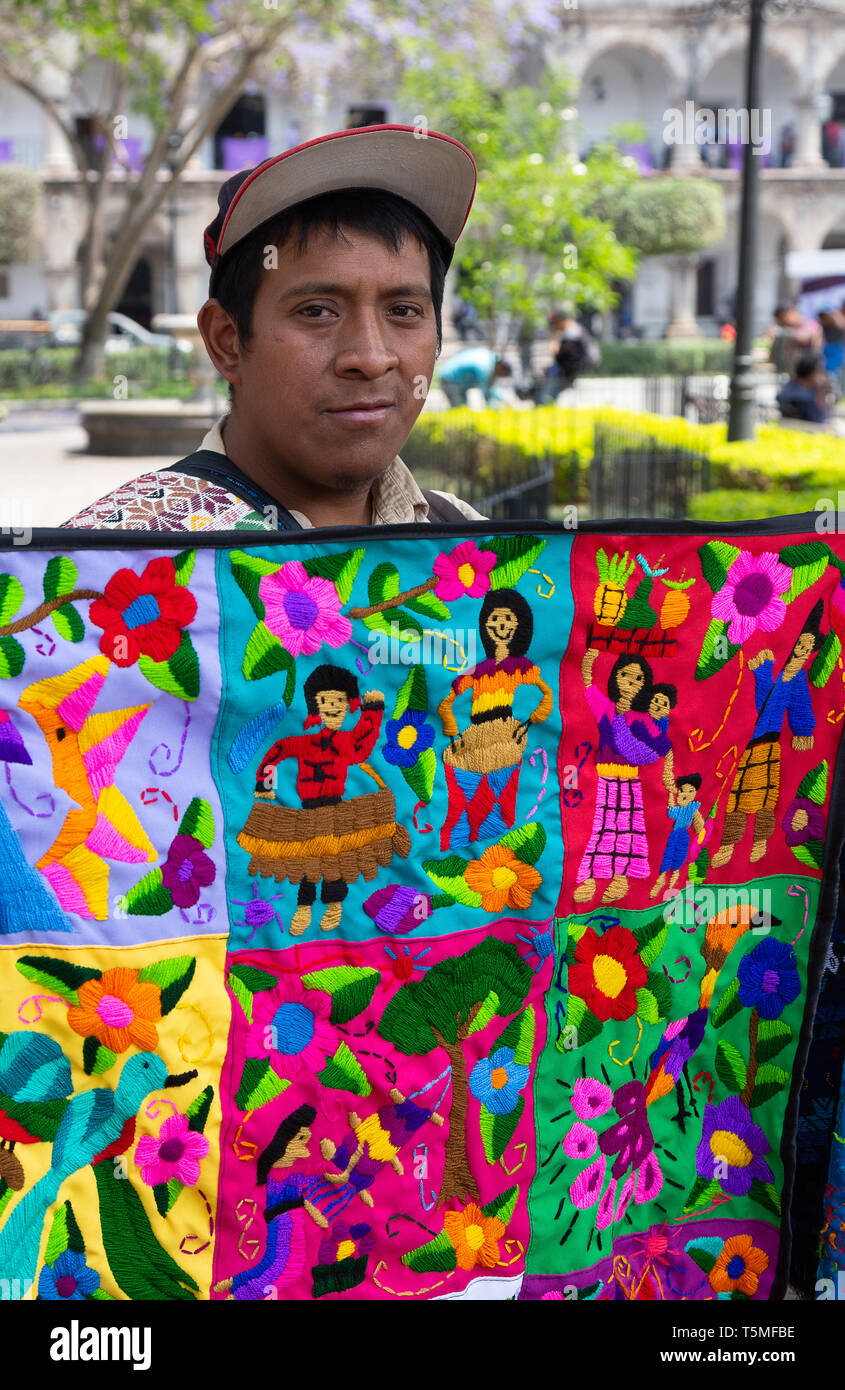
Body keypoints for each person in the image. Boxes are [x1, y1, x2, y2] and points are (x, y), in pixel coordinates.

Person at [63, 125, 485, 532]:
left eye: (404, 310)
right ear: (227, 341)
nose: (372, 359)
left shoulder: (478, 547)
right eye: (318, 311)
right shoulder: (116, 566)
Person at [710, 603, 821, 870]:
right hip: (748, 743)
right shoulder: (778, 670)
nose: (802, 653)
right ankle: (727, 844)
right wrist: (763, 671)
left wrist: (803, 730)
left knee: (766, 798)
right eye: (800, 646)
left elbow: (798, 705)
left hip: (770, 742)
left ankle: (760, 842)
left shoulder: (795, 678)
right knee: (737, 797)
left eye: (807, 649)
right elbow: (761, 704)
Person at [437, 347, 513, 407]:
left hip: (458, 381)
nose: (500, 377)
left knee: (463, 410)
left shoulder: (491, 359)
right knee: (459, 409)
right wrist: (504, 400)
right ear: (501, 368)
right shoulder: (485, 367)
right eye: (503, 375)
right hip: (449, 378)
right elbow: (487, 393)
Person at [768, 304, 823, 378]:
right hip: (791, 375)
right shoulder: (785, 330)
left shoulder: (810, 325)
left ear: (792, 312)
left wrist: (782, 332)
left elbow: (803, 338)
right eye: (780, 320)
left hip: (811, 375)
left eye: (783, 318)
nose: (784, 322)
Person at [777, 352, 830, 424]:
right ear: (812, 374)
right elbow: (818, 422)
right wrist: (820, 393)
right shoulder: (805, 398)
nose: (822, 376)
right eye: (820, 372)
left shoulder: (789, 387)